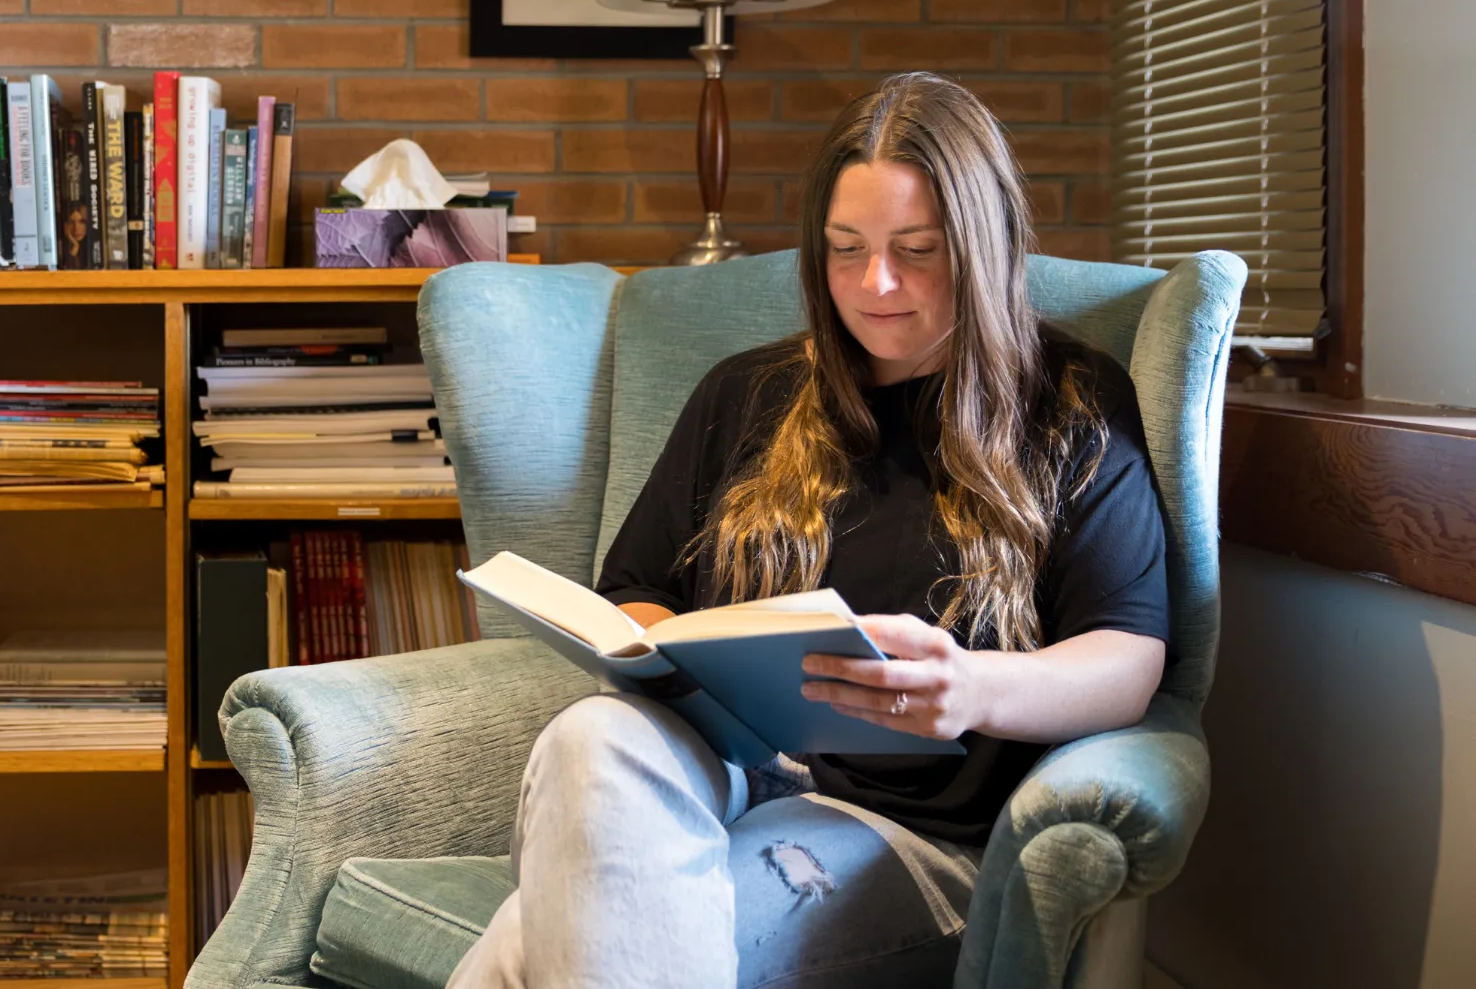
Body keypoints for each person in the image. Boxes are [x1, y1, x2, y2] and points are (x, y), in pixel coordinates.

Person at [446, 72, 1171, 988]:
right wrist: (662, 649)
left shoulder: (1070, 404)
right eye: (845, 249)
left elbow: (1129, 658)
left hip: (907, 833)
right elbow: (638, 590)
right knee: (590, 735)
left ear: (983, 246)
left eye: (917, 250)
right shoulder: (746, 393)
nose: (875, 284)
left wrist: (972, 689)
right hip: (720, 774)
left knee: (532, 943)